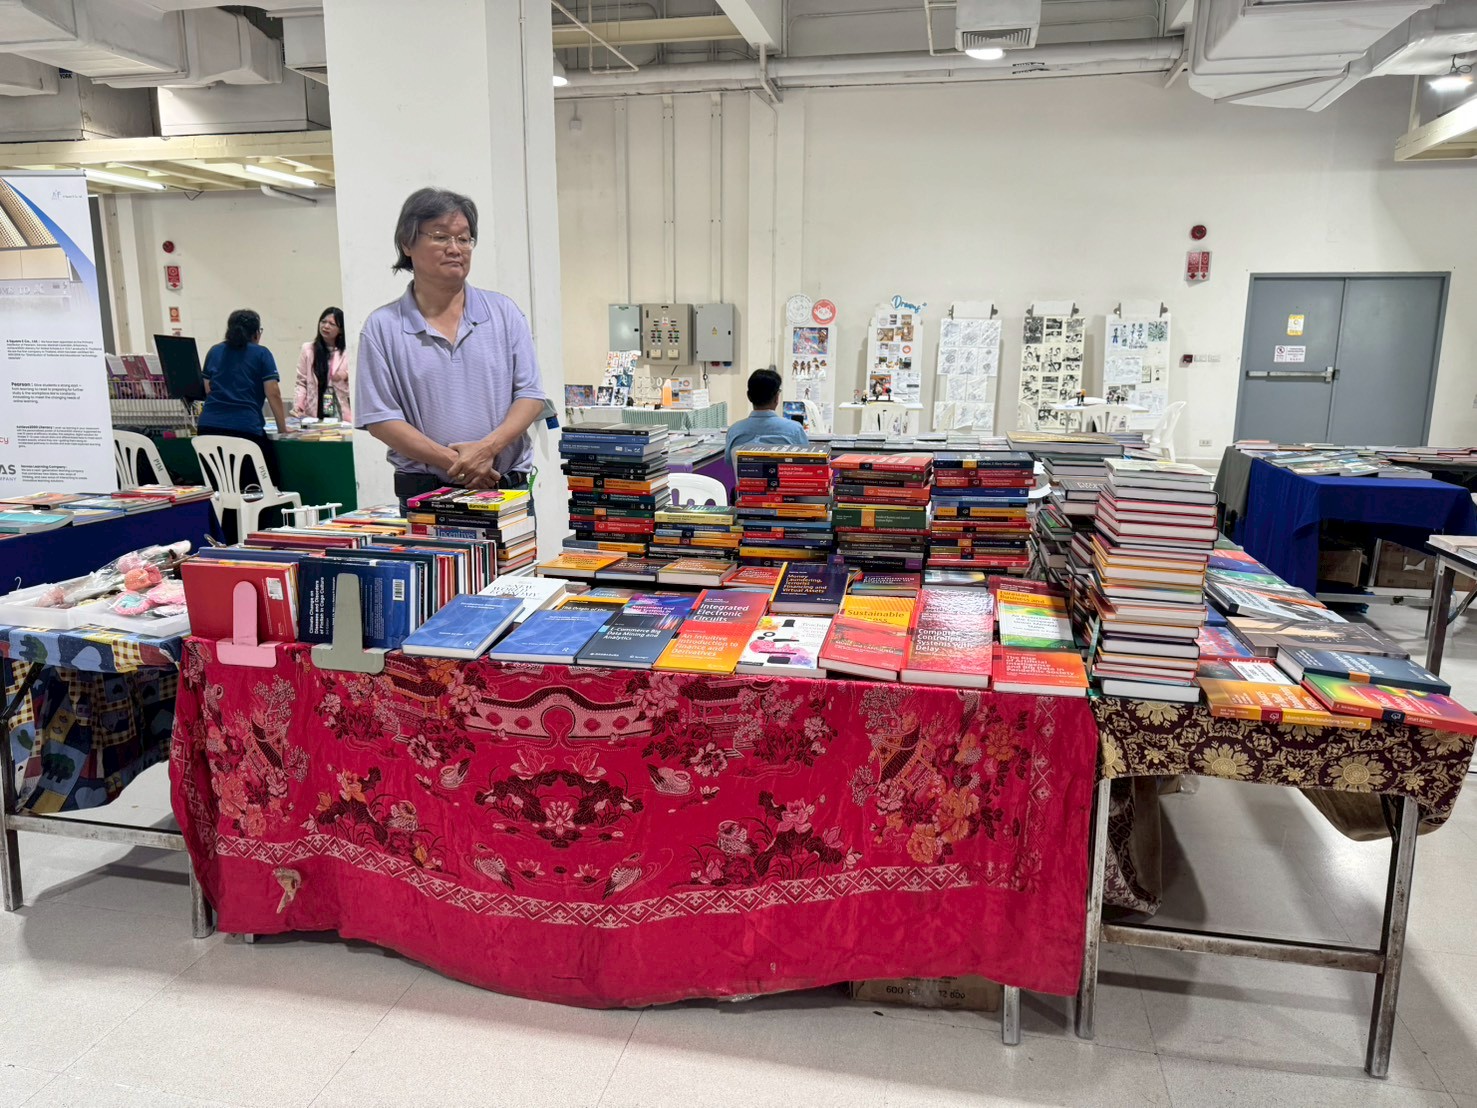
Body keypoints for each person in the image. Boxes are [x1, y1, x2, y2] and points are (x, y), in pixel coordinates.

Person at [355, 187, 547, 507]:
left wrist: (487, 449)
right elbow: (381, 418)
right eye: (441, 236)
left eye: (464, 239)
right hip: (426, 495)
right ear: (407, 243)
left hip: (505, 489)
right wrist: (458, 463)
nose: (455, 248)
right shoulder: (383, 327)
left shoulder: (503, 313)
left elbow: (531, 396)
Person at [198, 308, 287, 485]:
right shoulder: (261, 353)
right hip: (245, 430)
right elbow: (273, 392)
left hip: (208, 429)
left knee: (221, 487)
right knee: (267, 483)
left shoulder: (215, 351)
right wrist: (282, 428)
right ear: (256, 333)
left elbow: (207, 389)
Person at [724, 368, 810, 469]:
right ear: (776, 397)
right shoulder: (794, 430)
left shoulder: (734, 431)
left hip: (745, 479)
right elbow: (808, 463)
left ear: (749, 396)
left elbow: (730, 462)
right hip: (784, 479)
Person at [292, 306, 351, 422]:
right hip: (314, 408)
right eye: (323, 322)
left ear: (340, 330)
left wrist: (346, 374)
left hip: (340, 407)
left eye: (332, 324)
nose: (326, 326)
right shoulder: (308, 349)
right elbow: (301, 381)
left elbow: (358, 377)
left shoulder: (347, 352)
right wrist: (298, 405)